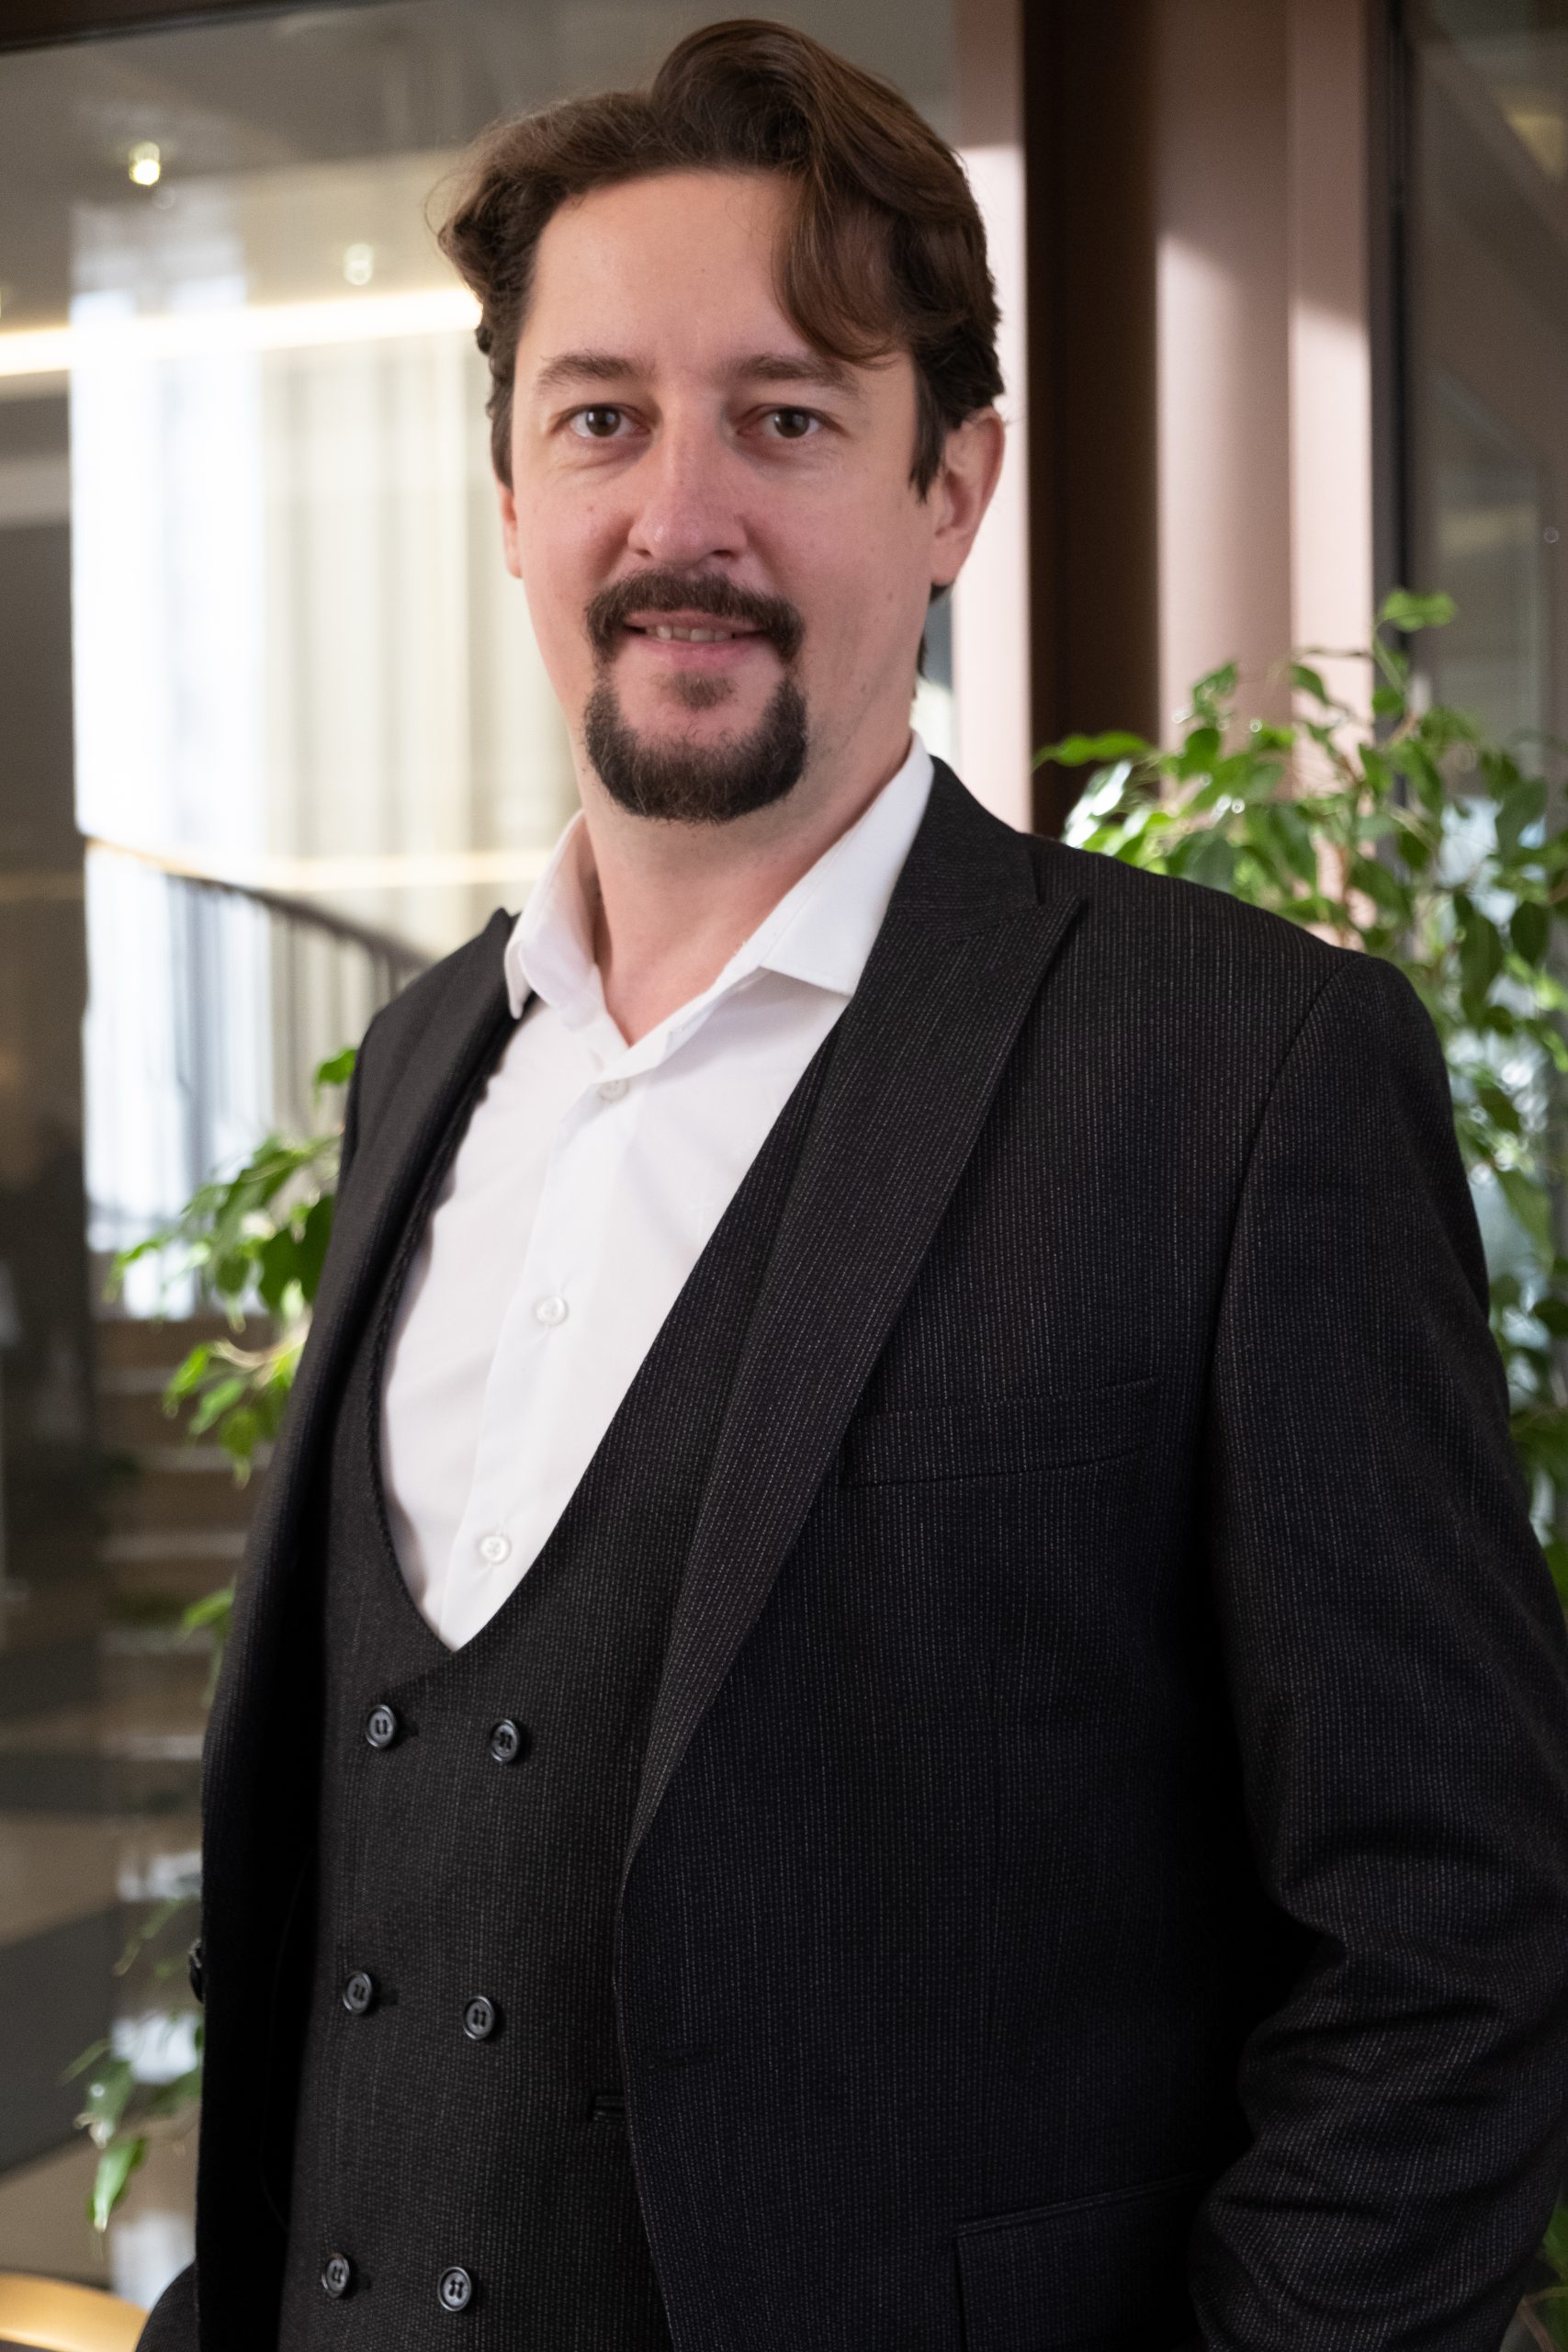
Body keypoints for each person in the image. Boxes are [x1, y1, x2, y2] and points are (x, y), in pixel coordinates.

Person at [140, 21, 1568, 2352]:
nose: (677, 513)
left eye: (785, 419)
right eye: (599, 417)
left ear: (949, 488)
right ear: (507, 492)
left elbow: (1456, 1946)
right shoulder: (416, 1067)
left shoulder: (1236, 1075)